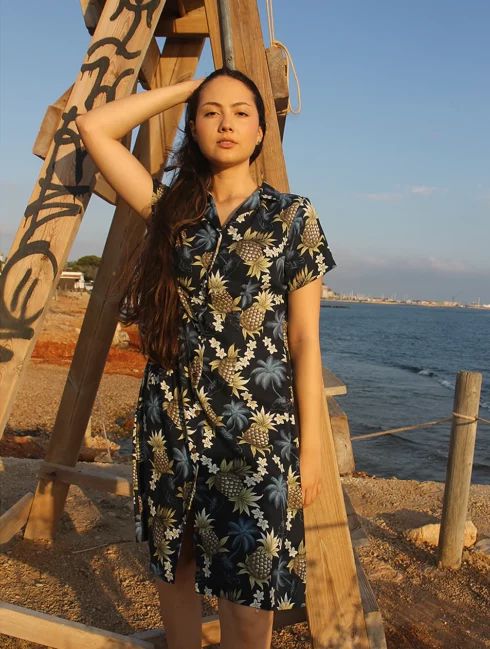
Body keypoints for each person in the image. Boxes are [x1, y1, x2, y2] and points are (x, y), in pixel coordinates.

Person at [76, 66, 337, 649]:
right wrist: (187, 90)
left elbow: (304, 341)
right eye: (211, 112)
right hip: (169, 420)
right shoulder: (170, 208)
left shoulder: (293, 217)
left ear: (262, 131)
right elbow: (94, 128)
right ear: (192, 126)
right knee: (177, 570)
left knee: (248, 594)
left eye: (242, 112)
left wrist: (313, 452)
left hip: (257, 432)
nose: (226, 123)